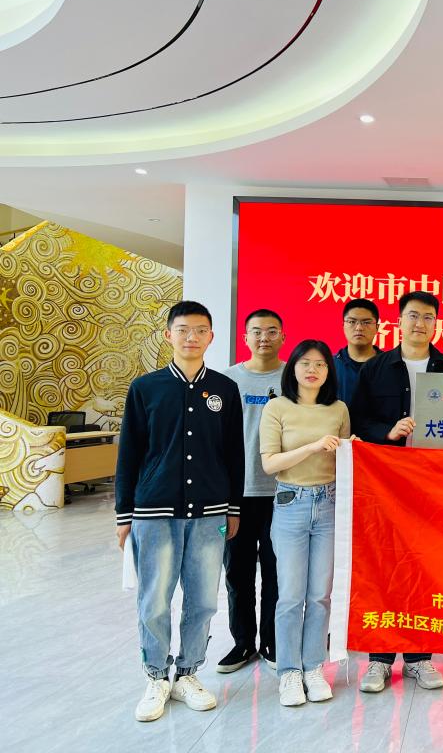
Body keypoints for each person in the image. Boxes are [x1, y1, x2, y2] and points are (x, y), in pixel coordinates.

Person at [115, 300, 243, 722]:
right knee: (154, 599)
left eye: (200, 330)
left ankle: (187, 673)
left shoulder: (224, 390)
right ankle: (156, 676)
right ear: (169, 334)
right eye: (183, 329)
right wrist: (124, 514)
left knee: (203, 600)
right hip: (154, 511)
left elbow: (234, 453)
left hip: (210, 512)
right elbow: (129, 453)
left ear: (211, 337)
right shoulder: (146, 388)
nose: (192, 337)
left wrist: (234, 507)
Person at [350, 290, 443, 693]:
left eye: (428, 317)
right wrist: (388, 431)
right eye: (413, 315)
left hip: (431, 483)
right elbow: (358, 420)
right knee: (383, 565)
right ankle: (379, 659)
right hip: (385, 482)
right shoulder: (375, 369)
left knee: (425, 566)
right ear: (399, 321)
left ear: (436, 324)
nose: (420, 323)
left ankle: (419, 657)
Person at [260, 339, 352, 706]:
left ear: (329, 371)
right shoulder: (276, 407)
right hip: (290, 503)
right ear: (293, 368)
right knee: (290, 595)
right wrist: (313, 446)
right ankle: (289, 672)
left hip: (329, 504)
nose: (312, 370)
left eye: (320, 364)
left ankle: (313, 667)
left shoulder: (339, 409)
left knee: (319, 595)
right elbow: (270, 463)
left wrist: (351, 447)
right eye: (305, 363)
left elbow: (344, 458)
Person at [218, 308, 286, 674]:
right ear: (245, 337)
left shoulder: (293, 377)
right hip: (237, 493)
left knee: (276, 572)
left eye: (272, 331)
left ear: (283, 337)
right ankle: (242, 642)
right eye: (257, 331)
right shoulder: (227, 380)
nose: (264, 337)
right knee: (237, 572)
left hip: (282, 491)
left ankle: (272, 640)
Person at [333, 298, 381, 406]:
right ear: (343, 326)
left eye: (366, 322)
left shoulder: (389, 364)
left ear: (377, 327)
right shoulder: (330, 366)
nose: (359, 328)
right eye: (352, 322)